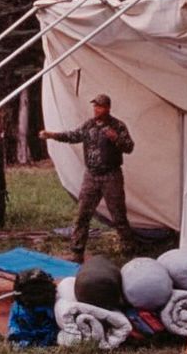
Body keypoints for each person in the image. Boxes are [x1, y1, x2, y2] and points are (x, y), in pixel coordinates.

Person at [39, 93, 136, 260]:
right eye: (95, 106)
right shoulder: (89, 125)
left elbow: (129, 147)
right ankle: (77, 252)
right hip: (91, 175)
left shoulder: (117, 126)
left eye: (99, 106)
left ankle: (129, 252)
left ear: (107, 108)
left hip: (111, 176)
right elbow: (72, 136)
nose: (96, 109)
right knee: (83, 214)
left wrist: (116, 138)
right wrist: (51, 135)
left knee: (119, 216)